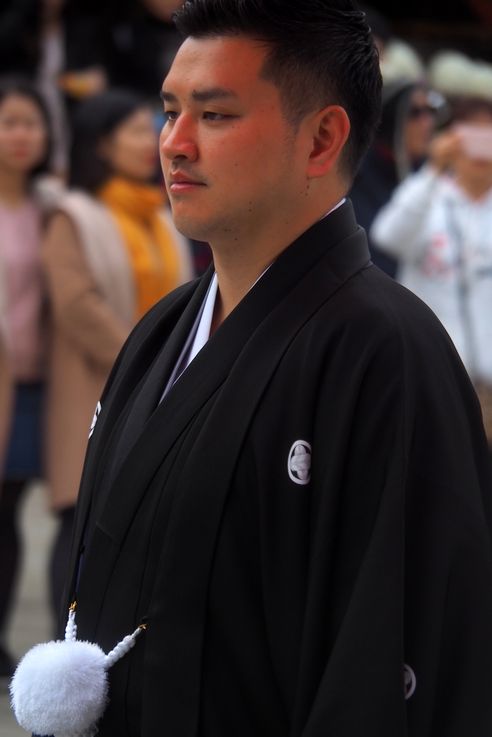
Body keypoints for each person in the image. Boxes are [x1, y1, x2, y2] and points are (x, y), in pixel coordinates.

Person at [50, 2, 492, 736]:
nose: (175, 144)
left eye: (214, 115)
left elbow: (400, 659)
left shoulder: (387, 352)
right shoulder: (164, 330)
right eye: (169, 111)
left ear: (321, 138)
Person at [41, 87, 193, 621]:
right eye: (136, 129)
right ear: (102, 145)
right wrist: (146, 361)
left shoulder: (166, 211)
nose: (152, 139)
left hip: (162, 384)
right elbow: (76, 304)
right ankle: (66, 639)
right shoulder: (73, 214)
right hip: (96, 384)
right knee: (78, 516)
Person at [371, 95, 492, 447]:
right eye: (473, 137)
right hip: (432, 379)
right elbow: (386, 235)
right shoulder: (429, 197)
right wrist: (433, 170)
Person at [0, 77, 53, 679]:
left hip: (37, 385)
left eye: (30, 122)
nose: (20, 135)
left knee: (12, 511)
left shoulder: (53, 205)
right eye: (9, 121)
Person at [350, 78, 440, 277]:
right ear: (391, 119)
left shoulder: (433, 174)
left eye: (431, 111)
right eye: (415, 113)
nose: (427, 123)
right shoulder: (357, 176)